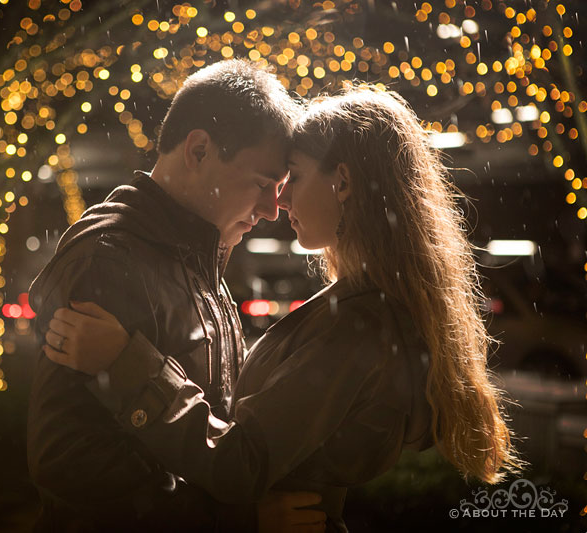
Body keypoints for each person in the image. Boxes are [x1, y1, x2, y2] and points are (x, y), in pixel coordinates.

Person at [43, 84, 525, 532]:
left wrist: (127, 362)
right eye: (270, 181)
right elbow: (70, 457)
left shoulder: (361, 323)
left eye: (292, 177)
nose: (279, 201)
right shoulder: (362, 307)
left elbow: (239, 462)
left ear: (343, 182)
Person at [27, 59, 325, 531]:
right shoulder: (110, 260)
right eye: (263, 184)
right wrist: (233, 521)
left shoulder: (194, 255)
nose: (272, 210)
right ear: (199, 149)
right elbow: (70, 462)